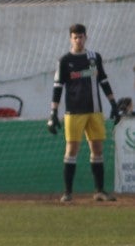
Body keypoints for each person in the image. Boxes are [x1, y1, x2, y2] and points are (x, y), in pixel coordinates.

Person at [47, 23, 121, 202]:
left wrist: (113, 104)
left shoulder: (94, 57)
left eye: (81, 36)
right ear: (70, 39)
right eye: (75, 37)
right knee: (72, 149)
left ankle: (99, 191)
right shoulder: (64, 61)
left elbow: (103, 80)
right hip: (74, 112)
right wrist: (53, 113)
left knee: (97, 149)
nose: (78, 40)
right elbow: (58, 87)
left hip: (95, 111)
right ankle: (68, 192)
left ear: (85, 37)